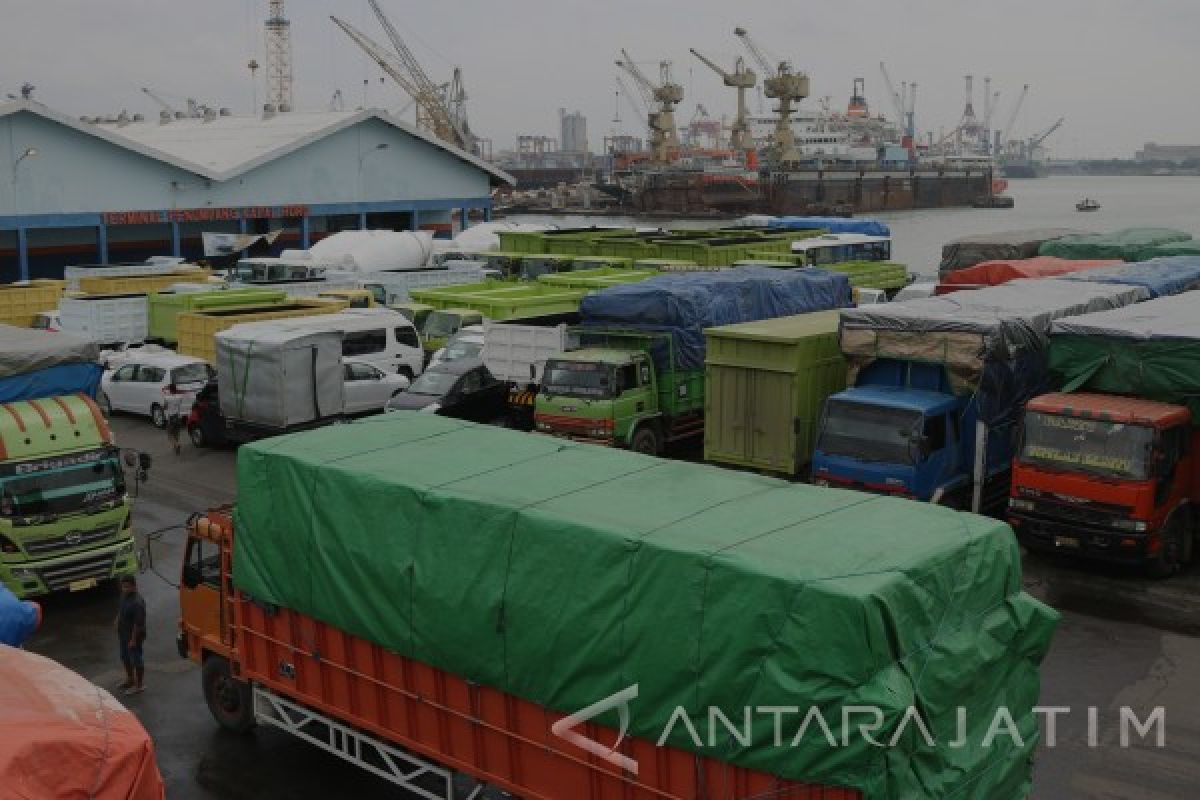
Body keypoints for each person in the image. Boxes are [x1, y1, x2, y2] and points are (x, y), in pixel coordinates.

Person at [115, 575, 146, 695]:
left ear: (134, 586)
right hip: (123, 633)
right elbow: (121, 609)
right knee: (125, 657)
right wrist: (117, 619)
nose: (125, 589)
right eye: (123, 586)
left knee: (136, 659)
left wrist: (133, 640)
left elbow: (138, 624)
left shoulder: (137, 602)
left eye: (127, 587)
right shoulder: (124, 596)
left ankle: (139, 685)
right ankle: (130, 679)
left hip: (134, 636)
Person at [164, 390, 185, 456]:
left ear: (170, 390)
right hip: (178, 417)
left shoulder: (167, 398)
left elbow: (165, 407)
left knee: (169, 434)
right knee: (176, 433)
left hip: (171, 417)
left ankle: (177, 444)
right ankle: (175, 447)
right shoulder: (179, 397)